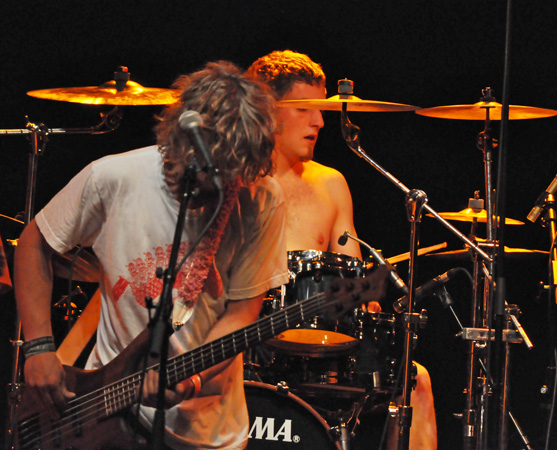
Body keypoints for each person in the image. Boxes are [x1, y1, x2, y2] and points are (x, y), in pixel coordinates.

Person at [14, 61, 289, 449]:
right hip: (102, 409)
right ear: (183, 142)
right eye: (212, 173)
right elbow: (34, 243)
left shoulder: (261, 197)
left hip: (208, 430)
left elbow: (242, 313)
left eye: (231, 175)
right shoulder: (114, 178)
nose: (220, 186)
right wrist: (39, 347)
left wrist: (193, 378)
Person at [248, 50, 438, 450]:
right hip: (248, 343)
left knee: (415, 379)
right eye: (305, 108)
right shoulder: (236, 182)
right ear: (265, 109)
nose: (320, 121)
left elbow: (353, 278)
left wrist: (369, 304)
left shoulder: (331, 183)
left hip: (325, 347)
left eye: (321, 110)